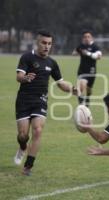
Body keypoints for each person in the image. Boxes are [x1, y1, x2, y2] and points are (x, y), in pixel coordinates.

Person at [14, 30, 78, 175]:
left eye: (49, 43)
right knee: (23, 135)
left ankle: (28, 167)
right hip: (23, 101)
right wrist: (25, 78)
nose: (46, 46)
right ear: (37, 42)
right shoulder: (27, 57)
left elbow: (61, 83)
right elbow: (19, 76)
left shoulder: (52, 63)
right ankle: (23, 147)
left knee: (37, 130)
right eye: (44, 43)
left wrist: (72, 89)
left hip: (40, 101)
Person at [72, 30, 102, 107]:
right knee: (81, 87)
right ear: (83, 38)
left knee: (89, 89)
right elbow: (74, 53)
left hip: (92, 71)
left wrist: (88, 53)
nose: (87, 38)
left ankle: (88, 98)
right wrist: (76, 52)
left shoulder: (95, 46)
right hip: (82, 70)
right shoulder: (81, 46)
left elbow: (99, 57)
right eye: (85, 37)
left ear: (91, 38)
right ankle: (81, 105)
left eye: (88, 37)